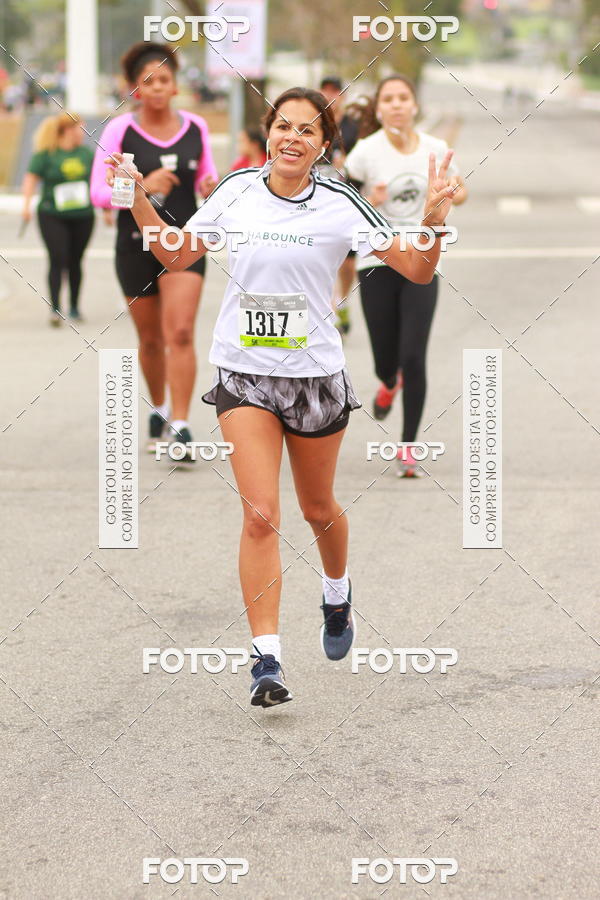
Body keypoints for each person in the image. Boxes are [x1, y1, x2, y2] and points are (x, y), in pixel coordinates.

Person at [102, 86, 456, 707]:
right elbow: (177, 252)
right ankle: (266, 659)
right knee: (261, 513)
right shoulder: (236, 190)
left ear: (323, 146)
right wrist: (138, 203)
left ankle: (338, 592)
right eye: (283, 126)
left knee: (318, 507)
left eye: (308, 131)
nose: (293, 138)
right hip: (244, 375)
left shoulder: (342, 202)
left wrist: (431, 222)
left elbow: (417, 270)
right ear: (268, 133)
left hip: (316, 376)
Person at [90, 42, 218, 456]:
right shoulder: (118, 130)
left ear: (176, 85)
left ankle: (180, 424)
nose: (158, 88)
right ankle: (159, 407)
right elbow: (98, 191)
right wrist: (143, 188)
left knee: (179, 332)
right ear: (134, 88)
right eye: (148, 81)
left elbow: (209, 176)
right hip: (133, 244)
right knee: (150, 340)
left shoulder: (196, 127)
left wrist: (209, 188)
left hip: (184, 243)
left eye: (164, 79)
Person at [345, 74, 468, 477]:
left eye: (403, 98)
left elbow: (461, 191)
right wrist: (369, 199)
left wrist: (448, 191)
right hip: (378, 260)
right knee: (386, 359)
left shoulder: (436, 148)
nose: (397, 105)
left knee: (414, 355)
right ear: (379, 109)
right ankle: (386, 383)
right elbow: (344, 201)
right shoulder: (365, 151)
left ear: (414, 105)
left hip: (423, 260)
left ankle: (409, 445)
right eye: (389, 99)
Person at [22, 112, 95, 326]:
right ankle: (55, 309)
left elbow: (97, 180)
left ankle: (74, 306)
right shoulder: (47, 154)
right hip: (52, 214)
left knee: (75, 260)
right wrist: (26, 206)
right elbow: (30, 179)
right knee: (58, 258)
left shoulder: (86, 154)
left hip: (82, 215)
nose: (83, 134)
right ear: (68, 130)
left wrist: (107, 209)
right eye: (80, 129)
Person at [319, 76, 361, 337]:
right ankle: (328, 309)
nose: (331, 98)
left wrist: (348, 163)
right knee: (321, 260)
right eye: (326, 93)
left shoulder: (354, 127)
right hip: (320, 203)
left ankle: (342, 300)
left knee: (347, 264)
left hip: (351, 202)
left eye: (336, 93)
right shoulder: (317, 124)